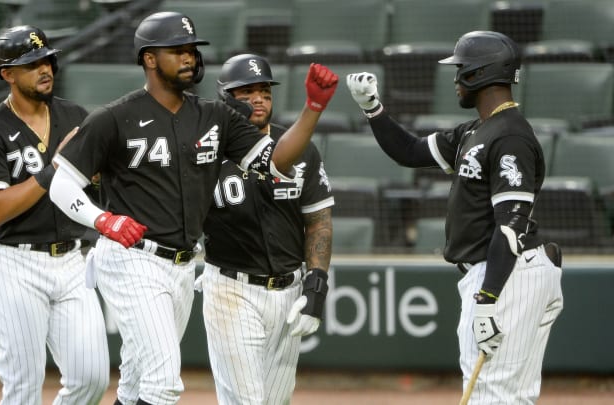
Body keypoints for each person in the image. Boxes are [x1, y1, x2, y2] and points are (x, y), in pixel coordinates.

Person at [47, 11, 338, 405]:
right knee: (164, 384)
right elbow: (62, 185)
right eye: (177, 50)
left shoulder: (213, 116)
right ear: (150, 58)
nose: (189, 57)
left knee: (134, 384)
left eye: (192, 50)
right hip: (132, 257)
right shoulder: (115, 117)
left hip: (183, 265)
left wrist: (312, 110)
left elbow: (274, 164)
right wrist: (103, 219)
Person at [346, 30, 563, 403]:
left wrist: (488, 298)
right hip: (504, 275)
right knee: (504, 396)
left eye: (460, 69)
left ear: (479, 74)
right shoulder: (476, 131)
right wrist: (373, 110)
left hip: (507, 275)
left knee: (492, 395)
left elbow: (509, 226)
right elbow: (410, 152)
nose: (455, 79)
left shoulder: (511, 136)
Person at [0, 26, 109, 405]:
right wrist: (51, 172)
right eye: (31, 64)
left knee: (91, 379)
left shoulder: (76, 117)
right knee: (23, 390)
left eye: (46, 59)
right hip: (14, 262)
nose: (44, 68)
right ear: (7, 75)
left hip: (71, 261)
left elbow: (98, 183)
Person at [196, 53, 334, 404]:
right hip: (231, 289)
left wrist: (316, 283)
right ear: (225, 97)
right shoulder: (205, 153)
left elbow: (318, 219)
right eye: (246, 92)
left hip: (287, 292)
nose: (258, 98)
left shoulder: (301, 150)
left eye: (265, 91)